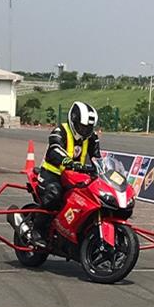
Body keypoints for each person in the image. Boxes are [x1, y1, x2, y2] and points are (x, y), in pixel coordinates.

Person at [31, 101, 101, 248]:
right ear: (73, 120)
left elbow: (97, 157)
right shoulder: (60, 130)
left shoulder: (92, 137)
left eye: (89, 128)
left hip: (75, 177)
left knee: (92, 198)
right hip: (52, 174)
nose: (85, 130)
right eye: (82, 127)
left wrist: (100, 169)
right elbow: (54, 149)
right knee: (54, 194)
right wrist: (68, 162)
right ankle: (36, 231)